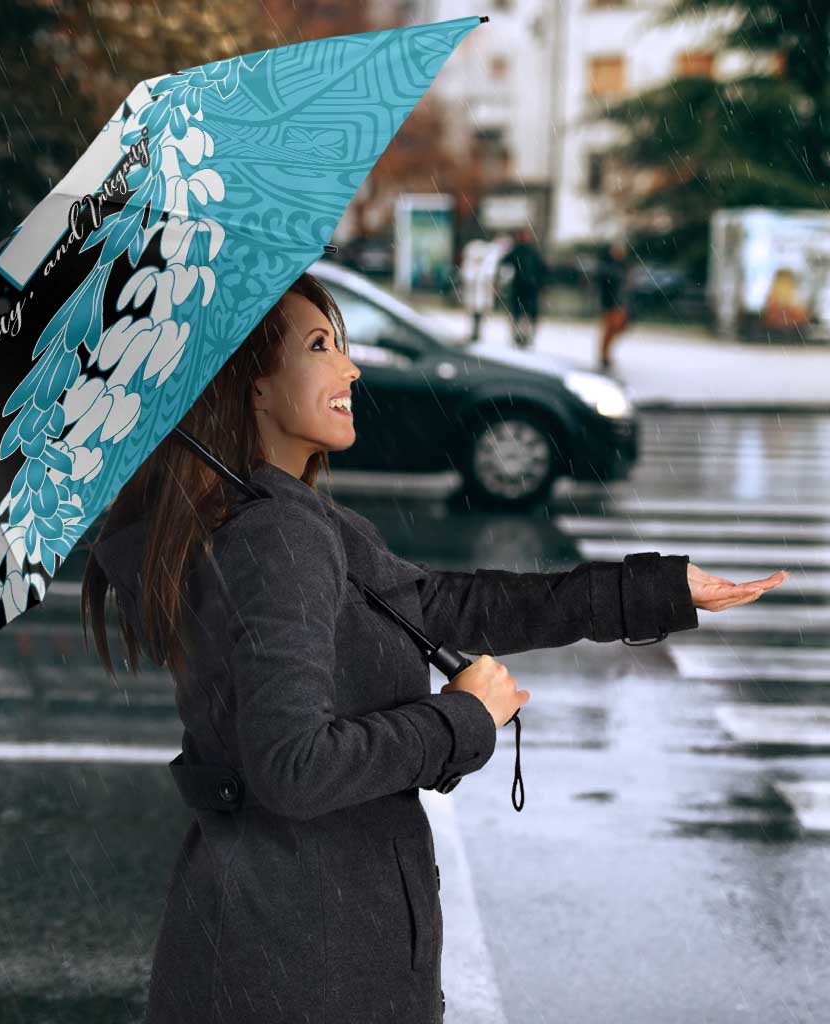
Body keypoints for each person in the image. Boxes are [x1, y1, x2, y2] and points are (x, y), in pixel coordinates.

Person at [82, 272, 783, 1024]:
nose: (350, 368)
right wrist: (462, 719)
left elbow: (447, 605)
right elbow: (293, 768)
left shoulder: (282, 518)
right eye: (320, 347)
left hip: (286, 943)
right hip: (303, 963)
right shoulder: (275, 537)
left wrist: (655, 591)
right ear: (251, 386)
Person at [498, 226, 548, 349]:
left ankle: (525, 337)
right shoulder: (518, 251)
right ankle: (519, 337)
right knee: (519, 314)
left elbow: (542, 270)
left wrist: (541, 284)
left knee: (526, 315)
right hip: (521, 288)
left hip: (529, 288)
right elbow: (504, 264)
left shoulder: (531, 252)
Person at [596, 239, 632, 370]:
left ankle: (605, 354)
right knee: (610, 329)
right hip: (611, 303)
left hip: (620, 303)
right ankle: (604, 355)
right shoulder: (608, 267)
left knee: (618, 328)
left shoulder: (623, 266)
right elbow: (605, 286)